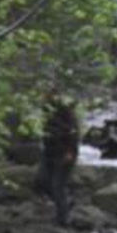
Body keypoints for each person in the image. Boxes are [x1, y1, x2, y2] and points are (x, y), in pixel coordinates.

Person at [37, 95, 79, 226]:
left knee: (58, 185)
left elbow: (74, 133)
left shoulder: (65, 112)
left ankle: (63, 218)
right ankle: (67, 201)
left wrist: (70, 151)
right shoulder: (45, 111)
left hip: (64, 152)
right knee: (42, 181)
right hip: (49, 151)